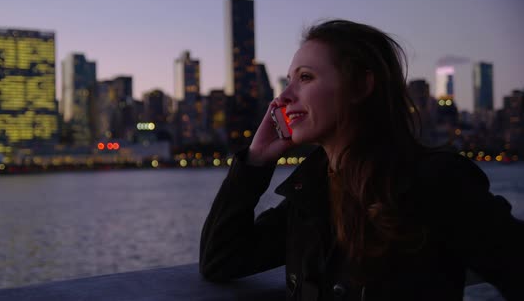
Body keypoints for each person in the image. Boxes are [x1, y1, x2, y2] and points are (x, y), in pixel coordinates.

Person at [199, 19, 524, 301]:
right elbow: (222, 259)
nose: (282, 98)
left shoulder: (434, 182)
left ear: (360, 86)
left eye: (306, 78)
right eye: (288, 81)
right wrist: (255, 160)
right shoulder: (311, 193)